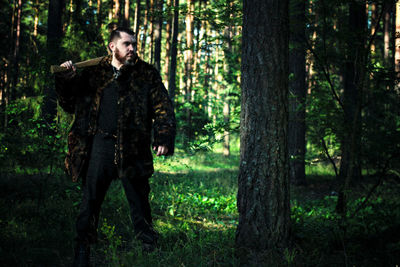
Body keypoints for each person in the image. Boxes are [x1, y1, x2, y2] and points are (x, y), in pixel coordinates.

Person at [55, 27, 176, 266]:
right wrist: (65, 81)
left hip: (133, 146)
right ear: (112, 47)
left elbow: (163, 106)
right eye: (126, 44)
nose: (132, 48)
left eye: (134, 44)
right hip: (99, 145)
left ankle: (148, 248)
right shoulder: (92, 74)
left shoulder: (145, 74)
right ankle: (83, 249)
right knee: (90, 201)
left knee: (140, 201)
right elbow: (70, 105)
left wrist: (163, 136)